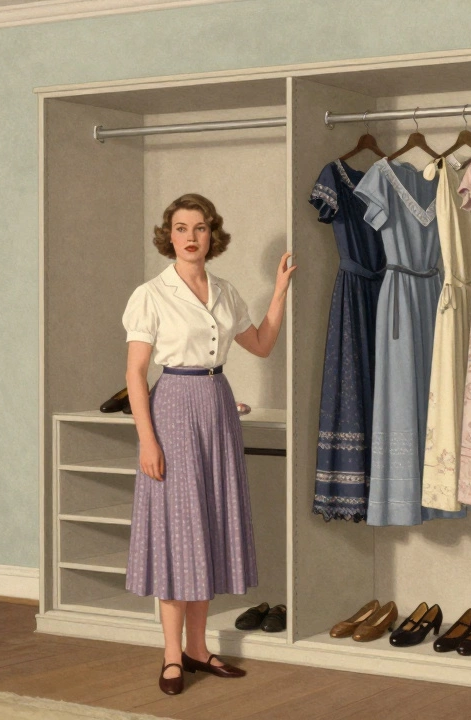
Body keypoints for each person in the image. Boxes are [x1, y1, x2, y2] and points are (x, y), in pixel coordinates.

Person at [121, 193, 294, 695]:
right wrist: (147, 440)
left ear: (211, 234)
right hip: (172, 406)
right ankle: (172, 657)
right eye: (181, 228)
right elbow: (135, 375)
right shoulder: (150, 294)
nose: (191, 236)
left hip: (217, 405)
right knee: (179, 535)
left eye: (199, 227)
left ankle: (199, 650)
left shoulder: (224, 290)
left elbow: (260, 344)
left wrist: (279, 291)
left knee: (208, 530)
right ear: (168, 235)